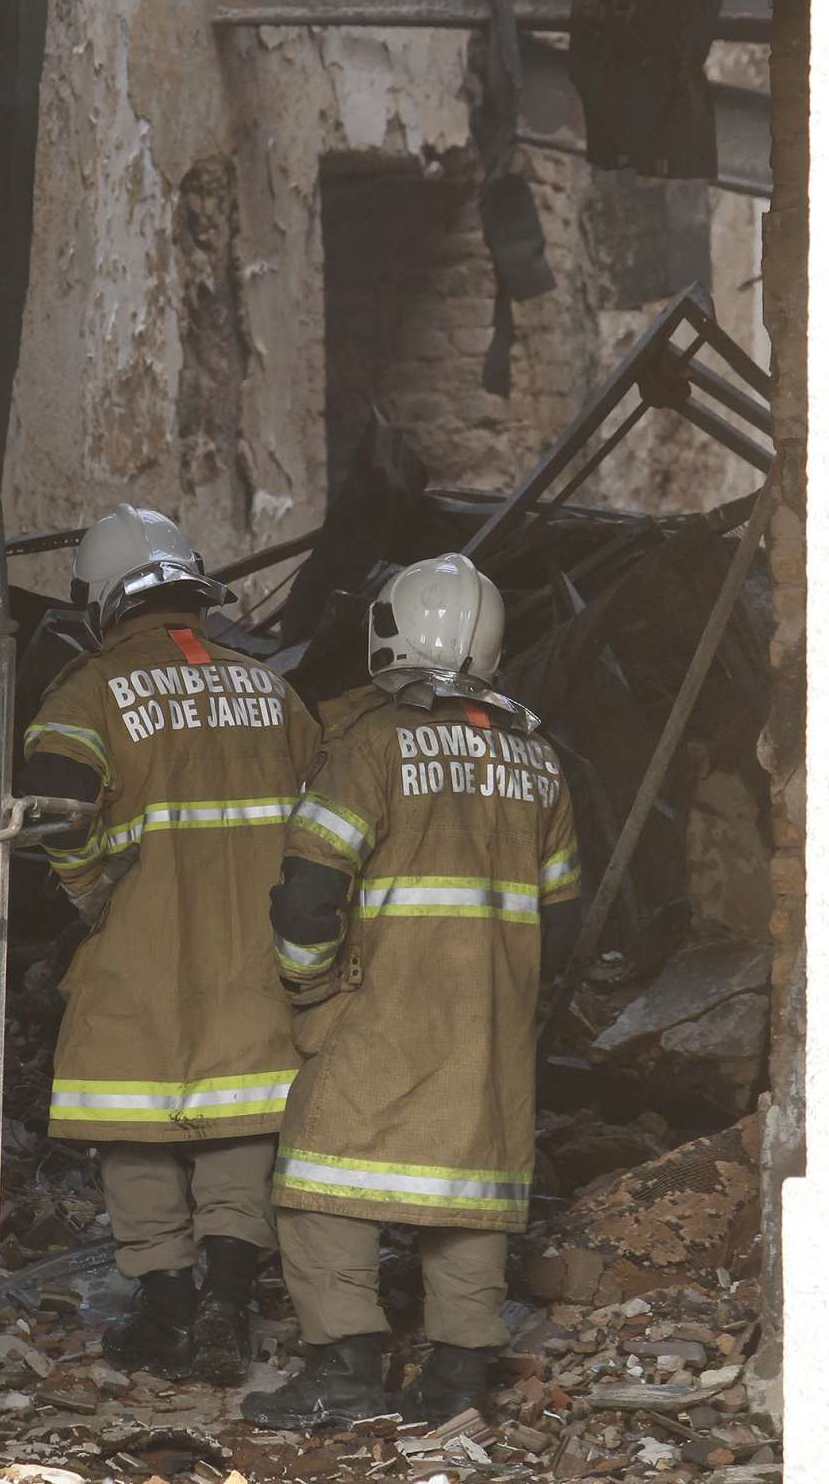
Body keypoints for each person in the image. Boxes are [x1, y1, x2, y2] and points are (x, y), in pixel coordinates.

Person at [242, 553, 582, 1432]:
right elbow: (566, 917)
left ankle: (346, 1369)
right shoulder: (539, 760)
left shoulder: (369, 745)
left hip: (380, 1013)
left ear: (389, 633)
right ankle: (459, 1376)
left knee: (319, 1181)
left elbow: (308, 894)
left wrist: (310, 994)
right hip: (491, 1026)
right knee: (472, 1189)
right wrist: (521, 1006)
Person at [19, 504, 319, 1385]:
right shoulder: (271, 689)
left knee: (135, 1128)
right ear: (192, 588)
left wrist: (87, 887)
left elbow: (51, 804)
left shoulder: (86, 691)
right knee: (242, 1122)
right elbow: (329, 820)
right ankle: (229, 1301)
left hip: (141, 949)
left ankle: (165, 1311)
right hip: (255, 954)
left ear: (106, 602)